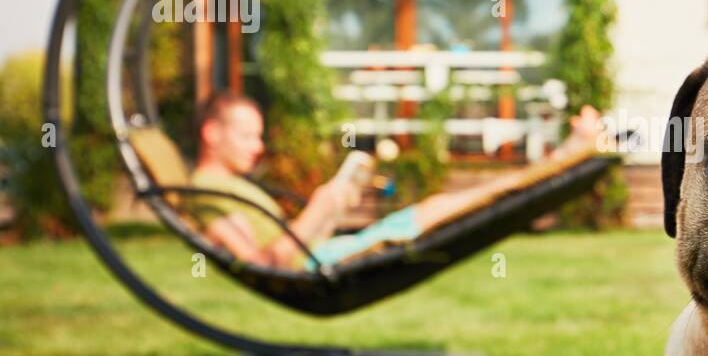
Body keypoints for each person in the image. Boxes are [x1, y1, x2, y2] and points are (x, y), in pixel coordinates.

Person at [187, 91, 604, 271]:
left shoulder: (224, 186)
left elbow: (289, 249)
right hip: (327, 262)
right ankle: (565, 157)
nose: (256, 147)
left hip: (328, 251)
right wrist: (322, 204)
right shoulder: (207, 191)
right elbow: (266, 265)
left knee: (457, 202)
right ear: (212, 133)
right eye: (247, 136)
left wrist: (333, 207)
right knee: (463, 203)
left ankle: (564, 157)